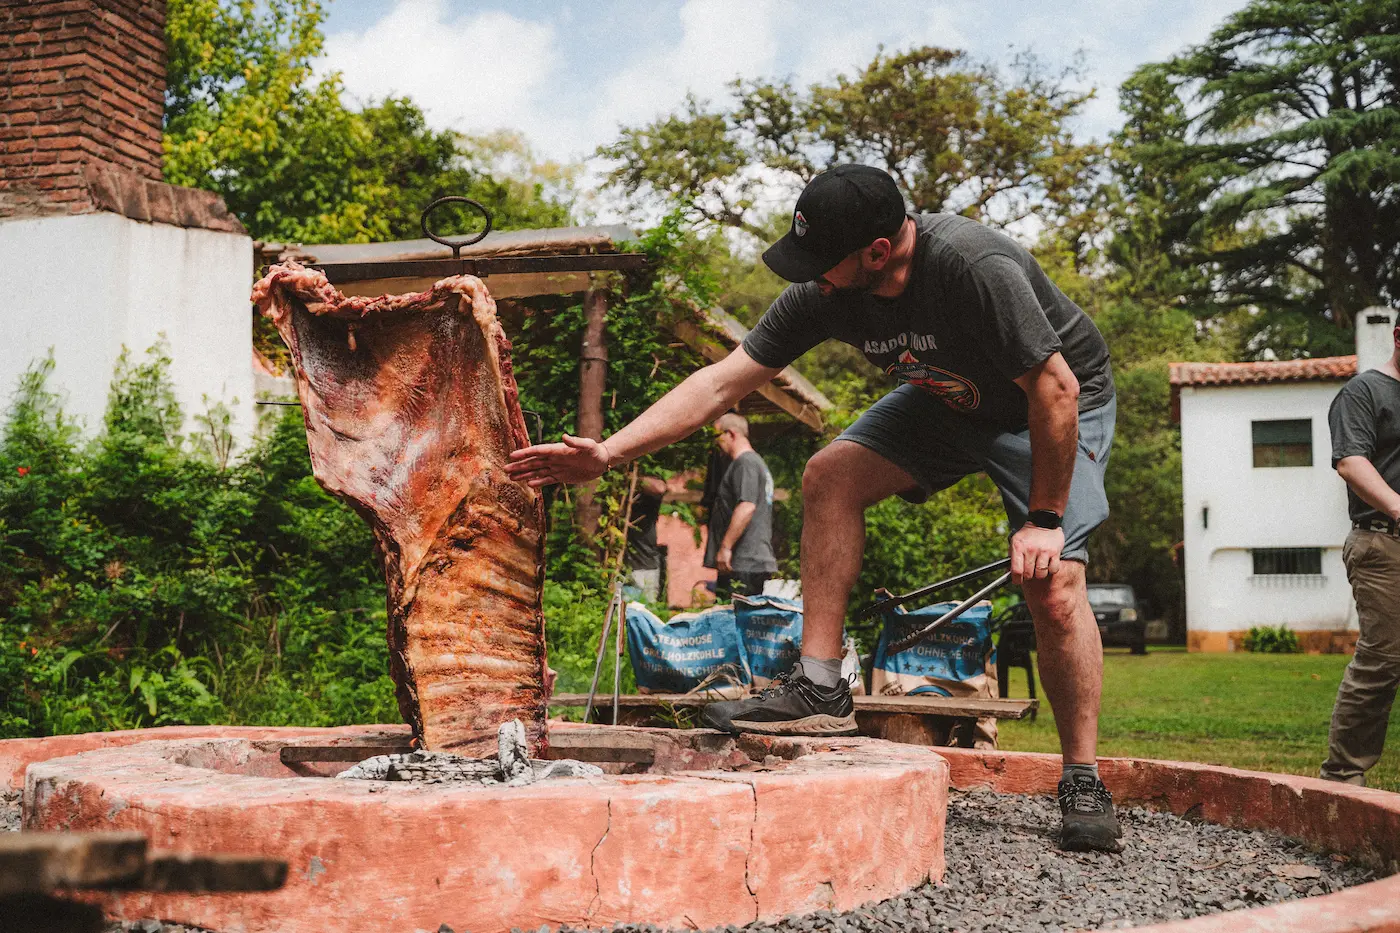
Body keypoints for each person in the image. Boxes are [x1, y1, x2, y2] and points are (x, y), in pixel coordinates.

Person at [507, 164, 1119, 851]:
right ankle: (820, 684)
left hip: (1051, 401)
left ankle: (1083, 776)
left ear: (878, 252)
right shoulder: (824, 293)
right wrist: (608, 452)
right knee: (831, 475)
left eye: (821, 262)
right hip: (950, 399)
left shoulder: (974, 266)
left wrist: (1043, 518)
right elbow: (721, 382)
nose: (809, 277)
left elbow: (1056, 386)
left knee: (1054, 583)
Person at [1320, 319, 1400, 786]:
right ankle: (1343, 780)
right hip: (1382, 542)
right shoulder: (1364, 392)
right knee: (1385, 660)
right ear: (1397, 336)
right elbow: (1351, 461)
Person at [704, 413, 778, 600]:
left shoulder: (746, 463)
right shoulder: (754, 463)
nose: (716, 443)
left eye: (718, 436)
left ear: (731, 434)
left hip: (743, 562)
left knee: (732, 625)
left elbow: (747, 506)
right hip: (745, 562)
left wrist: (726, 547)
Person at [625, 475, 669, 602]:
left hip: (646, 568)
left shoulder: (647, 499)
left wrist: (632, 479)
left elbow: (660, 487)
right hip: (625, 569)